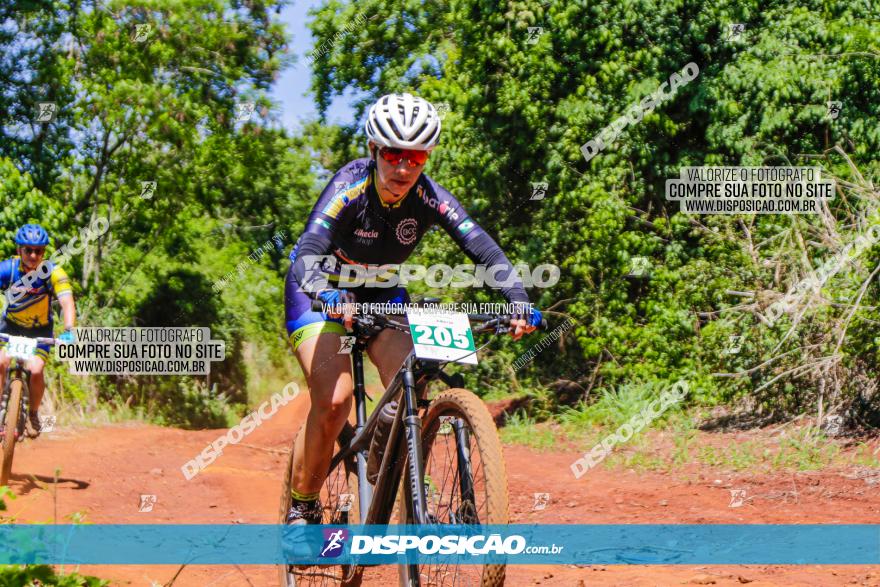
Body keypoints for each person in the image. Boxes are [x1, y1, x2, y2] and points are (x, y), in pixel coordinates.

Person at [283, 93, 542, 524]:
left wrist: (517, 298)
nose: (404, 168)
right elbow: (309, 248)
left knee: (414, 379)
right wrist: (323, 294)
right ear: (374, 151)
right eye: (393, 154)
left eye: (416, 158)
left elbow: (482, 247)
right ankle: (303, 506)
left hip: (381, 291)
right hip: (320, 289)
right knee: (335, 401)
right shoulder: (350, 186)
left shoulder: (429, 197)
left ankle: (391, 481)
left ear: (427, 158)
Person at [0, 224, 76, 437]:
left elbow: (67, 302)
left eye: (39, 251)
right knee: (0, 362)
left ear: (44, 252)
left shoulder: (53, 273)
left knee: (35, 370)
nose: (33, 255)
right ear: (19, 250)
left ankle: (33, 413)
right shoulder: (8, 269)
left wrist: (69, 330)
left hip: (39, 331)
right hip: (10, 327)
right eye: (28, 250)